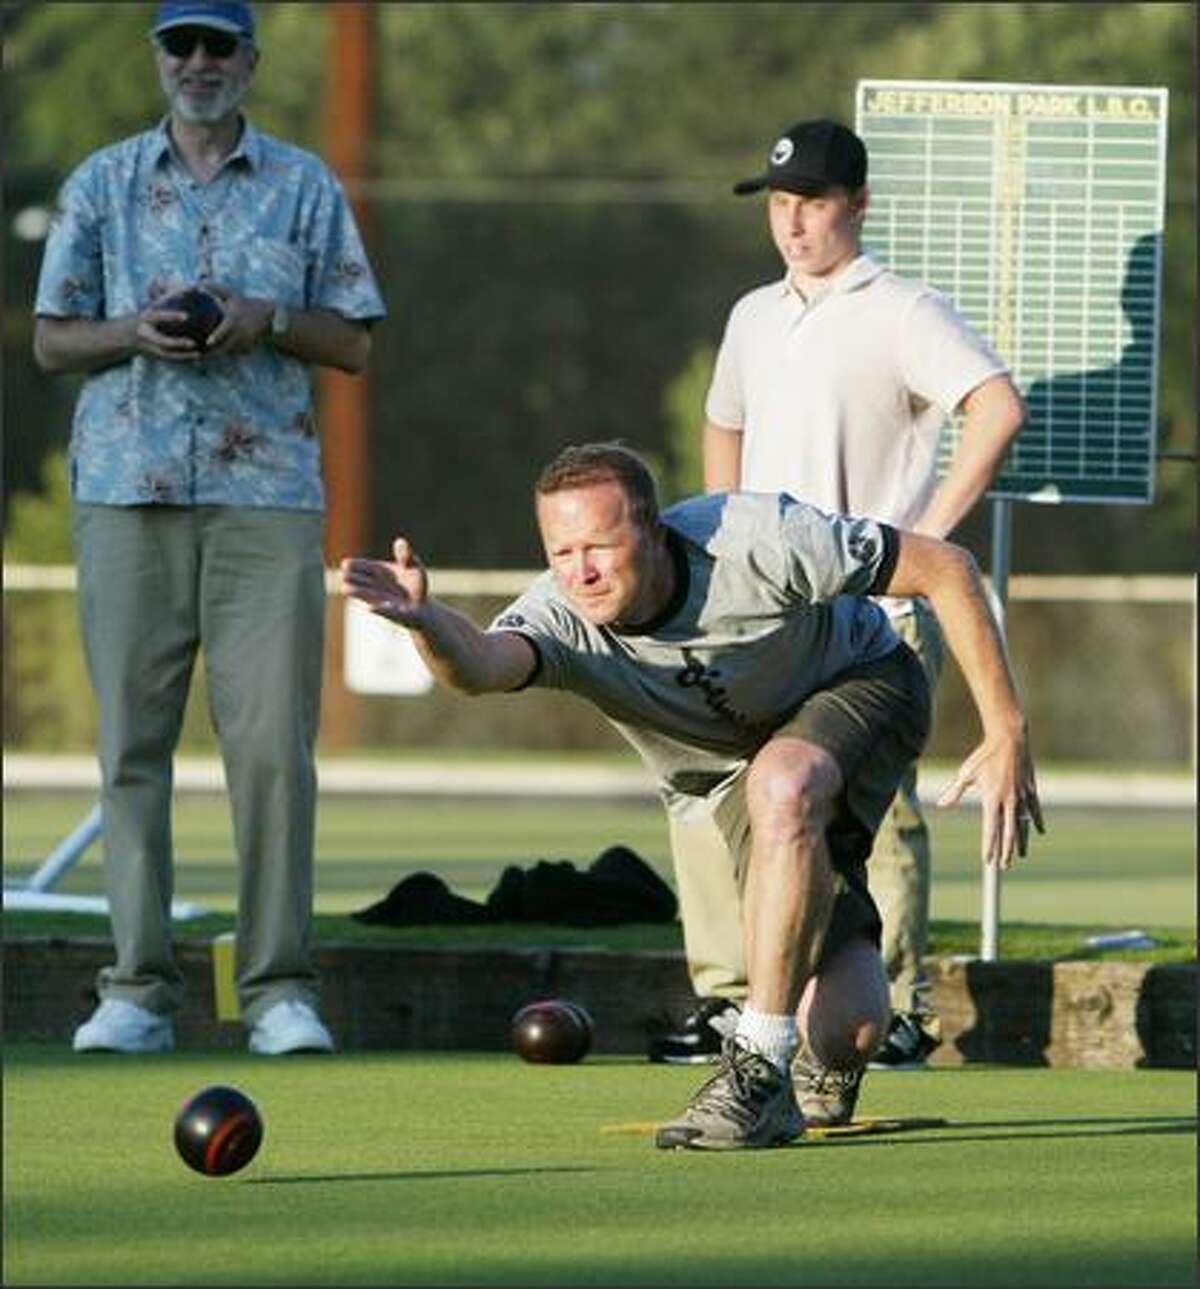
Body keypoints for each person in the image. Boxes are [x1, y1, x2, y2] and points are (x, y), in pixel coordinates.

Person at [341, 442, 1042, 1150]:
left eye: (601, 547)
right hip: (744, 767)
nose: (580, 571)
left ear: (652, 530)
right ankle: (814, 1048)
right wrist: (430, 625)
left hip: (864, 683)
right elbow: (484, 666)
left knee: (785, 782)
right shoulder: (562, 614)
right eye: (562, 552)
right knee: (848, 1029)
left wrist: (1006, 728)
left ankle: (756, 1071)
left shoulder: (755, 539)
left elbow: (945, 567)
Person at [33, 0, 386, 1055]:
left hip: (267, 501)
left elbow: (357, 343)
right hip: (124, 493)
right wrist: (131, 331)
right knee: (130, 751)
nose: (197, 64)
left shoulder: (303, 185)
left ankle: (277, 989)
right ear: (158, 58)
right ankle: (136, 990)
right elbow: (53, 340)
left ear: (249, 61)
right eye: (179, 45)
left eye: (216, 46)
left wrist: (267, 317)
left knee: (273, 752)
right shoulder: (100, 181)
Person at [657, 118, 1027, 1104]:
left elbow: (996, 405)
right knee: (750, 790)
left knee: (877, 807)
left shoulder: (902, 309)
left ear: (858, 204)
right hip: (769, 605)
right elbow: (722, 421)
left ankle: (892, 1003)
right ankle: (747, 1000)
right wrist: (713, 554)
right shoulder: (751, 315)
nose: (794, 221)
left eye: (813, 201)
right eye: (781, 202)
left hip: (879, 593)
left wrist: (929, 539)